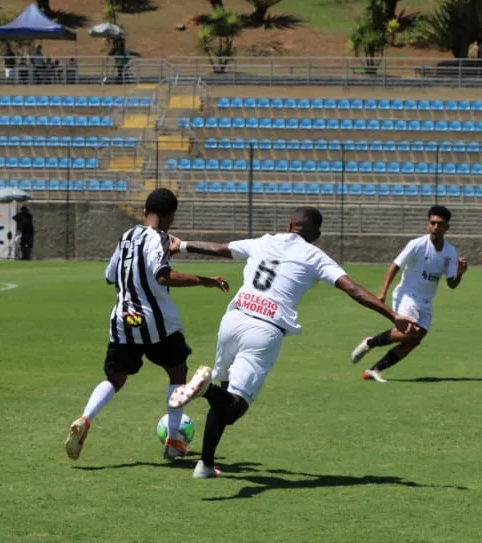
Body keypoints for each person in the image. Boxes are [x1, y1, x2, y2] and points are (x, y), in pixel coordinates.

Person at [167, 207, 420, 478]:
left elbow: (219, 249)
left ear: (290, 224)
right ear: (318, 235)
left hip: (232, 321)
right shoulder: (314, 255)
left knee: (225, 396)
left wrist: (182, 245)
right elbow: (353, 289)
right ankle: (204, 389)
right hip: (263, 331)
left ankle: (205, 464)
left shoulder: (264, 241)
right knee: (232, 409)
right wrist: (393, 315)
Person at [64, 189, 229, 461]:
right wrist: (203, 279)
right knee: (177, 375)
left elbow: (109, 276)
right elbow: (163, 277)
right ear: (170, 216)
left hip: (122, 318)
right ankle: (173, 440)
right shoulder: (158, 238)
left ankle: (85, 418)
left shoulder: (126, 236)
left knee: (115, 379)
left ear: (144, 212)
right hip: (157, 321)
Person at [351, 204, 467, 382]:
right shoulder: (417, 245)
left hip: (426, 301)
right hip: (407, 295)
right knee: (409, 331)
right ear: (428, 225)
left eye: (440, 223)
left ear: (446, 227)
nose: (436, 226)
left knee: (416, 338)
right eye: (432, 223)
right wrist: (382, 293)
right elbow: (395, 266)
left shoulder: (450, 252)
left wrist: (460, 272)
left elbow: (452, 284)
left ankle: (374, 370)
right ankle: (370, 342)